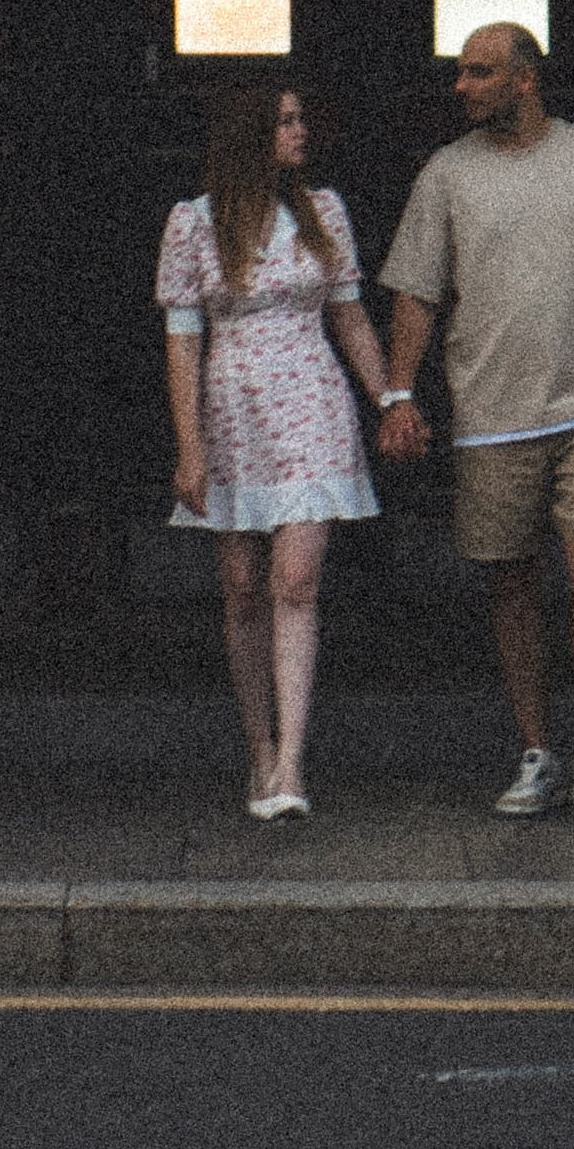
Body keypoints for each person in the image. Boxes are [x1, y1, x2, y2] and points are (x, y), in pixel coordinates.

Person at [374, 22, 574, 824]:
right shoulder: (446, 175)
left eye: (479, 73)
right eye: (462, 73)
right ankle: (537, 748)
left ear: (525, 80)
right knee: (511, 580)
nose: (462, 87)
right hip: (491, 409)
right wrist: (399, 393)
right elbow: (416, 293)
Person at [156, 79, 399, 819]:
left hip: (313, 407)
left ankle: (293, 759)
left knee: (295, 580)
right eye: (286, 121)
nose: (300, 132)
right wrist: (189, 449)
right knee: (241, 585)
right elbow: (182, 345)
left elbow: (351, 319)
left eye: (302, 118)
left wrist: (391, 398)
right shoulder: (194, 224)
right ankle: (258, 747)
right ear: (250, 133)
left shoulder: (323, 212)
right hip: (235, 411)